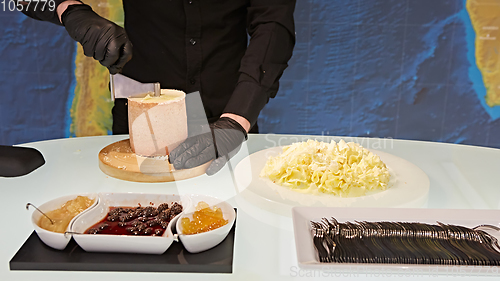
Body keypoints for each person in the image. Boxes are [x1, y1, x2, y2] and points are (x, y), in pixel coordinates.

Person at [22, 0, 296, 175]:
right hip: (143, 125)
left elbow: (274, 22)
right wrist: (70, 10)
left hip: (229, 118)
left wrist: (237, 120)